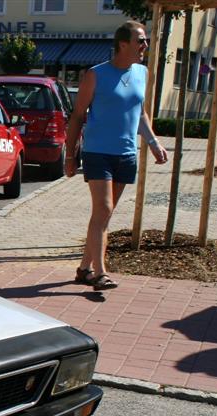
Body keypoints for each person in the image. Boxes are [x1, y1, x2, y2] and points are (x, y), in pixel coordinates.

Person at [65, 20, 168, 292]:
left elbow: (141, 112)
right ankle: (100, 273)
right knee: (104, 209)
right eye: (140, 40)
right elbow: (77, 117)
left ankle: (84, 268)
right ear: (123, 44)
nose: (145, 45)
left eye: (145, 41)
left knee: (103, 216)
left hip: (125, 153)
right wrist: (69, 155)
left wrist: (154, 142)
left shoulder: (142, 73)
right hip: (97, 151)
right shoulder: (95, 75)